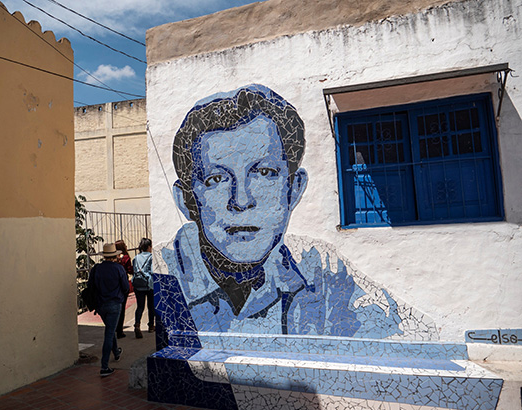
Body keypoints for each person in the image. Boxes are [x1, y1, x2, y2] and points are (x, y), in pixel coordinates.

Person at [157, 84, 437, 339]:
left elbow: (410, 336)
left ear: (294, 190)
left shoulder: (319, 268)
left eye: (265, 173)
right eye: (216, 180)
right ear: (186, 200)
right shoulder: (163, 273)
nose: (241, 200)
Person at [89, 242, 129, 376]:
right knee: (109, 333)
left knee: (110, 330)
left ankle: (116, 352)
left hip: (101, 305)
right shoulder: (118, 269)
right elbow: (125, 287)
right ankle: (104, 366)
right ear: (115, 256)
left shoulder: (96, 269)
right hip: (114, 303)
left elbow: (91, 286)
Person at [132, 238, 155, 339]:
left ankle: (137, 324)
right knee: (151, 306)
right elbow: (152, 271)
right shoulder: (151, 257)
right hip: (149, 285)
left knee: (140, 306)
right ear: (149, 247)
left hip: (138, 284)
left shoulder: (136, 257)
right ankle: (151, 326)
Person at [114, 240, 133, 339]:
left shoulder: (114, 258)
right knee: (122, 308)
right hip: (123, 283)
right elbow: (129, 270)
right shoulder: (125, 257)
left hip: (114, 284)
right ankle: (120, 330)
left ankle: (115, 327)